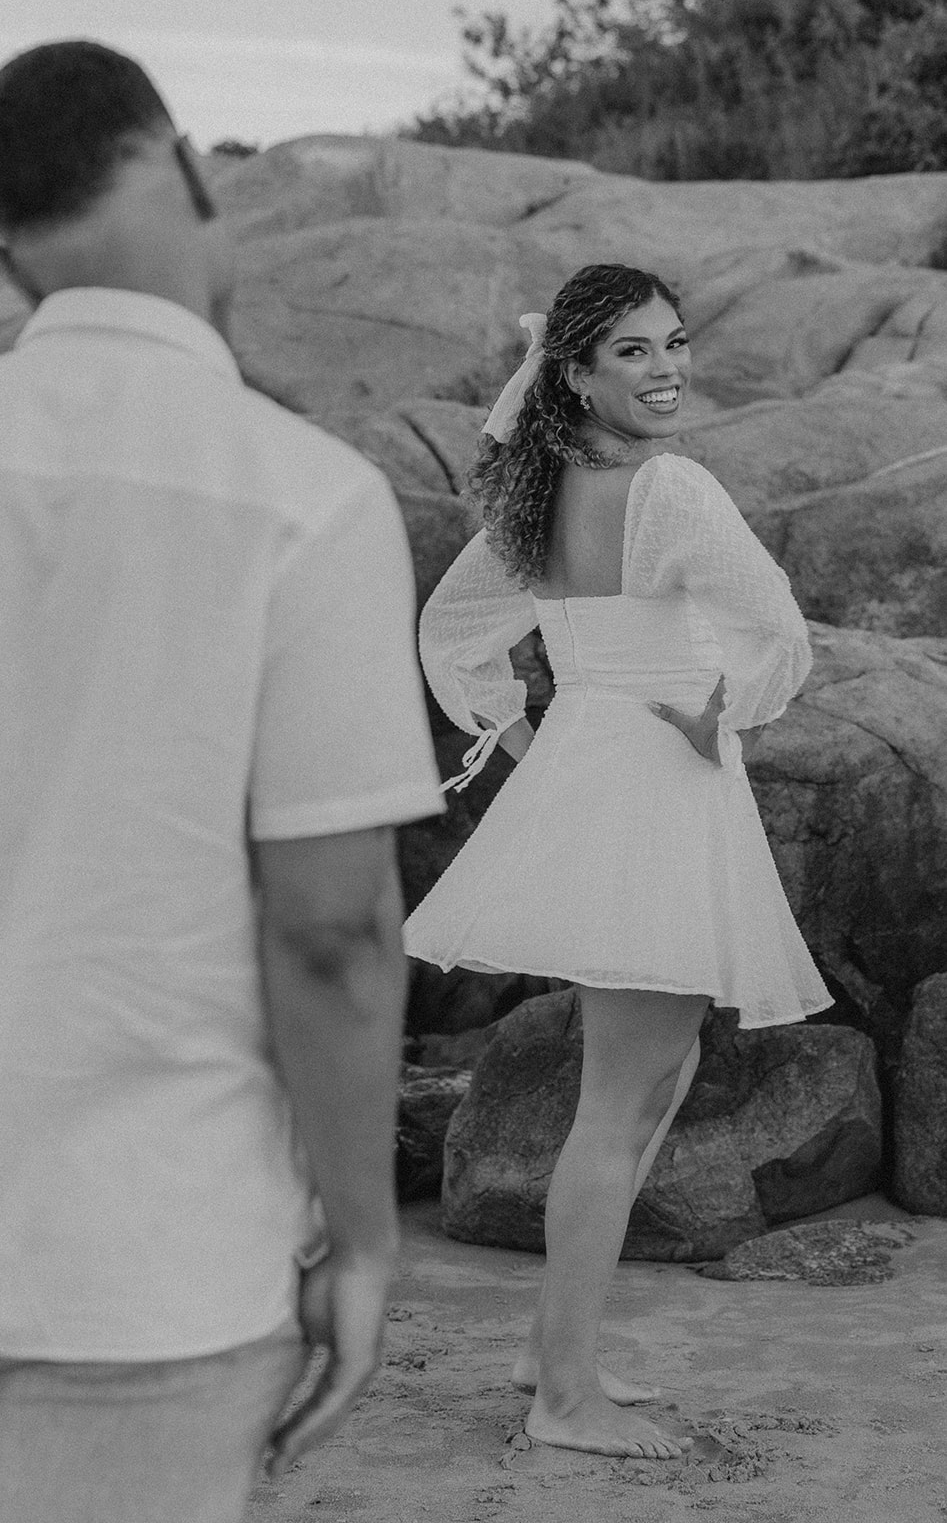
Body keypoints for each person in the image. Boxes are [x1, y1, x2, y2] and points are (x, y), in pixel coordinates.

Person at [0, 40, 444, 1523]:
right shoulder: (305, 500)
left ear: (10, 268)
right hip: (147, 1259)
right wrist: (366, 1243)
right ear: (191, 168)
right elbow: (329, 929)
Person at [403, 263, 832, 1460]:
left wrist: (532, 731)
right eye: (632, 352)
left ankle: (560, 1354)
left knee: (656, 1071)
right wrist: (720, 709)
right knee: (619, 1095)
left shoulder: (545, 492)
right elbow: (778, 630)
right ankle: (562, 1391)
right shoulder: (670, 487)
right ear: (574, 376)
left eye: (674, 343)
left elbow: (453, 630)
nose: (665, 369)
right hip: (650, 779)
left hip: (599, 766)